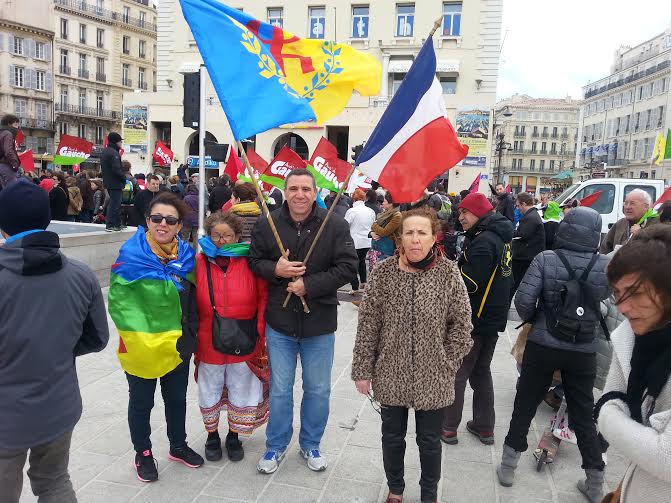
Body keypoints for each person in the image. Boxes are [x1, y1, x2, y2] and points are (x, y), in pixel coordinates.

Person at [352, 207, 474, 503]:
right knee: (392, 437)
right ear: (400, 238)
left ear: (434, 238)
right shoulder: (383, 273)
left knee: (430, 441)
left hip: (434, 375)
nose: (415, 239)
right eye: (409, 233)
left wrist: (447, 362)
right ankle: (396, 489)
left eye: (422, 233)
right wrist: (362, 370)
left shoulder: (448, 273)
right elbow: (368, 324)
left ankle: (429, 494)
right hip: (391, 370)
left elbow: (462, 325)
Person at [0, 180, 109, 502]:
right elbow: (98, 338)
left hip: (7, 416)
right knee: (54, 480)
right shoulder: (81, 274)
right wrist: (56, 349)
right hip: (58, 406)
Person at [249, 168, 357, 474]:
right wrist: (276, 270)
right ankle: (276, 445)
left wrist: (309, 285)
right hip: (280, 321)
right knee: (281, 389)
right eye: (294, 188)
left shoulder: (333, 224)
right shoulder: (267, 222)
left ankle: (311, 444)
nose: (300, 194)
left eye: (306, 189)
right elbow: (254, 261)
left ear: (314, 192)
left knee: (318, 389)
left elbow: (348, 266)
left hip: (319, 323)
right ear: (285, 191)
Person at [497, 207, 610, 501]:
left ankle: (509, 465)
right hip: (584, 351)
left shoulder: (547, 259)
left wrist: (538, 320)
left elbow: (523, 299)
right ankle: (595, 482)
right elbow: (611, 305)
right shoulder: (605, 264)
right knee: (584, 415)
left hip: (544, 345)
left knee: (525, 404)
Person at [108, 192, 202, 483]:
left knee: (176, 398)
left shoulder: (187, 257)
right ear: (147, 220)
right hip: (141, 345)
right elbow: (119, 303)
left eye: (170, 220)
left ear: (179, 225)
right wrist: (144, 338)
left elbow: (196, 299)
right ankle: (143, 452)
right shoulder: (131, 254)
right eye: (156, 218)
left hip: (178, 343)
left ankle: (178, 444)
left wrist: (192, 335)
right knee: (141, 401)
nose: (163, 224)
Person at [595, 225, 671, 503]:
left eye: (635, 293)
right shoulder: (631, 334)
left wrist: (610, 416)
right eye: (617, 292)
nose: (622, 306)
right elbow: (608, 402)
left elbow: (666, 458)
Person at [194, 211, 269, 462]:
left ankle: (234, 435)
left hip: (244, 337)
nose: (221, 240)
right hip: (208, 337)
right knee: (210, 386)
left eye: (227, 235)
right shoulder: (198, 261)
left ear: (237, 236)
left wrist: (260, 332)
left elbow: (262, 298)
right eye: (216, 235)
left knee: (241, 385)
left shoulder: (250, 262)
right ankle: (212, 435)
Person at [442, 193, 514, 445]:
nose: (460, 217)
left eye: (465, 212)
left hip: (475, 318)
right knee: (481, 371)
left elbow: (470, 283)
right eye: (459, 212)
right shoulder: (499, 238)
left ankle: (448, 426)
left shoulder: (484, 242)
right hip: (491, 316)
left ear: (480, 213)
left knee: (459, 371)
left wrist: (451, 269)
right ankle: (485, 426)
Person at [600, 189, 659, 254]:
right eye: (626, 203)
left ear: (646, 206)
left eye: (632, 203)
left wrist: (641, 234)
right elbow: (604, 249)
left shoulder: (656, 224)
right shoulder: (621, 223)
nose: (627, 207)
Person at [511, 192, 545, 297]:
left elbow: (521, 235)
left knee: (514, 283)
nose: (517, 208)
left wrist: (508, 233)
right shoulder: (532, 215)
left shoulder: (530, 217)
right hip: (527, 256)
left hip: (524, 257)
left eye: (518, 205)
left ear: (524, 204)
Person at [345, 188, 376, 292]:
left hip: (354, 241)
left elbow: (345, 225)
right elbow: (373, 225)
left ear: (353, 199)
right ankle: (363, 282)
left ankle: (354, 287)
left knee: (352, 264)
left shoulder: (352, 211)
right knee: (362, 261)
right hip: (367, 241)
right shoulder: (370, 211)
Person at [100, 132, 125, 232]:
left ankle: (117, 224)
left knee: (115, 203)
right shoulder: (114, 153)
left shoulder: (106, 151)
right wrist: (123, 178)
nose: (121, 143)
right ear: (116, 141)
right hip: (115, 183)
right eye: (120, 141)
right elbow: (116, 169)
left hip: (109, 182)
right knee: (115, 204)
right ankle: (110, 224)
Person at [370, 191, 402, 262]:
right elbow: (373, 229)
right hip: (377, 248)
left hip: (386, 249)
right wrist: (372, 233)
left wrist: (374, 224)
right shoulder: (383, 213)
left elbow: (384, 232)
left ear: (391, 203)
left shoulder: (397, 215)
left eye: (384, 201)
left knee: (383, 271)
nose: (383, 203)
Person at [0, 113, 21, 189]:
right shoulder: (8, 133)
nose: (18, 127)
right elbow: (8, 151)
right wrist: (15, 164)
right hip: (6, 165)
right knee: (12, 191)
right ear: (9, 124)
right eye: (15, 124)